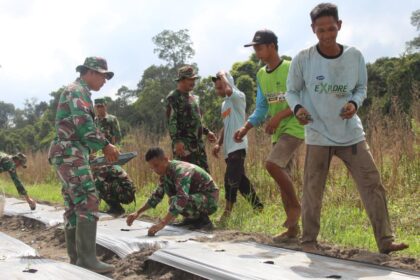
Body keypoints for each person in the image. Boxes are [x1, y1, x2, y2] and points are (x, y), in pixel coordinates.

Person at [285, 3, 408, 254]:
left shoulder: (354, 56)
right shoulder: (304, 58)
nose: (327, 35)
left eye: (331, 29)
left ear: (339, 26)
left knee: (372, 183)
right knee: (312, 188)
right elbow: (292, 90)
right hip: (318, 132)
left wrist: (354, 103)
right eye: (321, 31)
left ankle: (385, 241)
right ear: (313, 30)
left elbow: (361, 88)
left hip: (350, 134)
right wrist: (298, 109)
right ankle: (309, 241)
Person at [48, 57, 119, 273]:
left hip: (68, 153)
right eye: (103, 76)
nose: (105, 80)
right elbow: (83, 124)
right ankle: (87, 260)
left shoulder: (78, 91)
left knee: (74, 204)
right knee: (88, 200)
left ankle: (77, 259)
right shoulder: (77, 91)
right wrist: (105, 145)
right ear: (89, 72)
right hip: (70, 153)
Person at [234, 30, 304, 240]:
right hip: (279, 133)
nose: (256, 52)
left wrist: (279, 117)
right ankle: (293, 231)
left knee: (272, 165)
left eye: (259, 47)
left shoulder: (290, 67)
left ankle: (296, 208)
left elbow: (302, 98)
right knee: (284, 179)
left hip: (295, 127)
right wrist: (246, 127)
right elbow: (262, 107)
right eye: (254, 48)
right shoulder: (261, 74)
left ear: (272, 46)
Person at [126, 147, 219, 235]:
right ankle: (191, 220)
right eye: (152, 168)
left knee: (176, 200)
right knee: (173, 199)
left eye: (156, 166)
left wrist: (162, 224)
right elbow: (156, 196)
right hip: (196, 198)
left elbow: (182, 198)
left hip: (210, 200)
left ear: (165, 159)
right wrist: (137, 213)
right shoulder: (165, 174)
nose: (155, 170)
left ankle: (204, 221)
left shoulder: (181, 170)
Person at [211, 71, 263, 222]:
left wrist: (224, 76)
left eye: (220, 87)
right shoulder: (224, 104)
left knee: (230, 179)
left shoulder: (238, 97)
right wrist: (218, 144)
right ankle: (258, 207)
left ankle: (227, 213)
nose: (219, 91)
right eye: (217, 88)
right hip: (228, 149)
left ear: (228, 83)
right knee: (241, 182)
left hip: (238, 146)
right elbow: (225, 125)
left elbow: (228, 90)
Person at [166, 65, 217, 172]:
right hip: (184, 147)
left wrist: (207, 132)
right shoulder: (173, 97)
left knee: (204, 177)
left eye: (194, 79)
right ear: (182, 80)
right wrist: (177, 141)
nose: (193, 82)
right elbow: (171, 121)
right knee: (186, 178)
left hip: (198, 147)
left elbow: (196, 121)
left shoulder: (194, 98)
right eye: (190, 79)